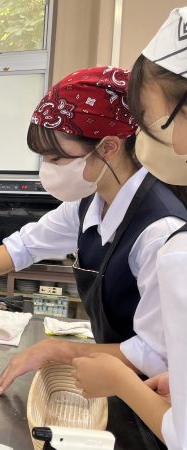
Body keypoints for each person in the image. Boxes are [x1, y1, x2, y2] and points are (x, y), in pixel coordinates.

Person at [0, 66, 187, 396]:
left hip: (152, 393)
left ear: (108, 147)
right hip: (108, 378)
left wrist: (59, 350)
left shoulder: (160, 233)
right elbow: (26, 245)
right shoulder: (91, 201)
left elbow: (157, 355)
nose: (47, 169)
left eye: (56, 158)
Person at [73, 8, 187, 449]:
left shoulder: (170, 241)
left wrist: (122, 381)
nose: (175, 143)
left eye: (153, 119)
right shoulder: (92, 203)